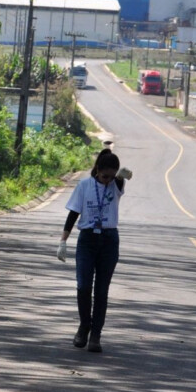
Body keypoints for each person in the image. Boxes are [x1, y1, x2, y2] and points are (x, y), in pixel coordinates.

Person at [56, 148, 132, 353]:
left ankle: (96, 334)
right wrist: (63, 241)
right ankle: (84, 326)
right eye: (104, 175)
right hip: (87, 240)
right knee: (83, 286)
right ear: (97, 169)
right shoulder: (84, 185)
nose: (107, 180)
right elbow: (73, 213)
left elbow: (120, 179)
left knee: (101, 291)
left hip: (109, 240)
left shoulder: (116, 185)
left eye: (111, 176)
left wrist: (120, 175)